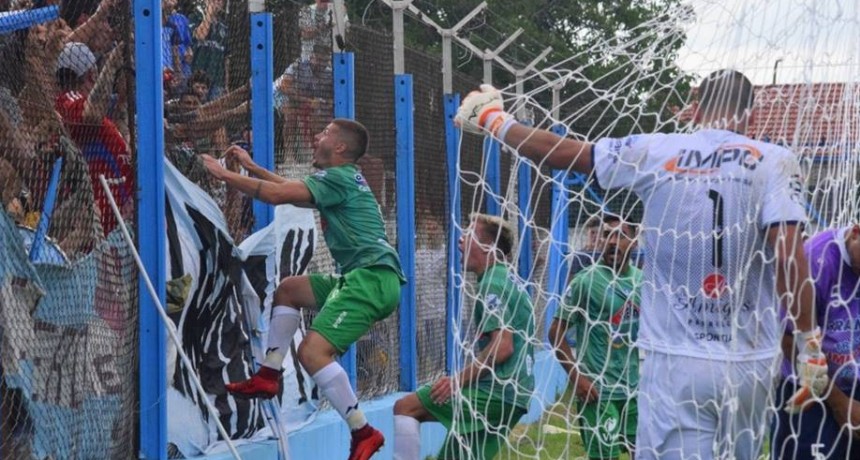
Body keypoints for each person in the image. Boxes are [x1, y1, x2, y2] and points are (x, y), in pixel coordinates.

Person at [454, 70, 827, 459]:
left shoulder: (659, 150)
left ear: (695, 112)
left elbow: (562, 151)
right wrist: (809, 346)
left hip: (674, 362)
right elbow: (788, 255)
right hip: (749, 360)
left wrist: (495, 119)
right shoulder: (775, 161)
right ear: (751, 118)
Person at [202, 119, 404, 460]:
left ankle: (363, 431)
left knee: (312, 353)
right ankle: (269, 375)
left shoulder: (339, 178)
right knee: (289, 290)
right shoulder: (340, 180)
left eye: (323, 133)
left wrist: (223, 176)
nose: (315, 136)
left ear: (339, 147)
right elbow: (292, 189)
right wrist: (252, 168)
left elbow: (280, 195)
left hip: (370, 279)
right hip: (364, 277)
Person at [393, 213, 535, 460]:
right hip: (517, 393)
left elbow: (503, 346)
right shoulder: (508, 278)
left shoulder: (492, 282)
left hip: (497, 390)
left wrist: (457, 381)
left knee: (405, 407)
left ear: (488, 246)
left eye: (468, 234)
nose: (460, 240)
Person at [549, 213, 641, 460]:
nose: (612, 241)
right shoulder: (585, 281)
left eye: (621, 235)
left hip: (635, 391)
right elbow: (555, 333)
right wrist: (578, 378)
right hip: (597, 392)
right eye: (607, 234)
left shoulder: (643, 282)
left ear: (633, 243)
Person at [771, 225, 860, 459]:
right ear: (856, 232)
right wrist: (840, 403)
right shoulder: (816, 261)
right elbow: (787, 339)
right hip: (808, 388)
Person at [55, 41, 133, 235]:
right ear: (91, 74)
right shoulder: (69, 99)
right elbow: (92, 116)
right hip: (108, 216)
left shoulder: (81, 101)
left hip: (123, 204)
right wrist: (112, 64)